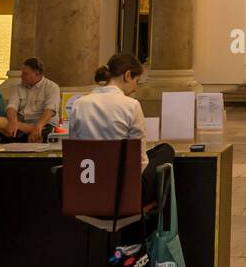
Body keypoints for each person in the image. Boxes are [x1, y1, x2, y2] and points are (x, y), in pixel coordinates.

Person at [69, 53, 175, 206]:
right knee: (165, 150)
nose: (135, 88)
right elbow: (140, 160)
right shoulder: (131, 105)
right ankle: (157, 219)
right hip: (123, 192)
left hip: (88, 188)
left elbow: (76, 148)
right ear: (127, 75)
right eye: (136, 81)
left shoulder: (79, 104)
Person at [4, 57, 61, 142]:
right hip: (22, 124)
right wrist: (13, 122)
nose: (21, 76)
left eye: (25, 74)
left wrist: (38, 126)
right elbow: (11, 107)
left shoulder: (52, 87)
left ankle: (35, 132)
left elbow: (50, 110)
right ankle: (32, 131)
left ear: (37, 74)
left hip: (44, 125)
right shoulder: (18, 87)